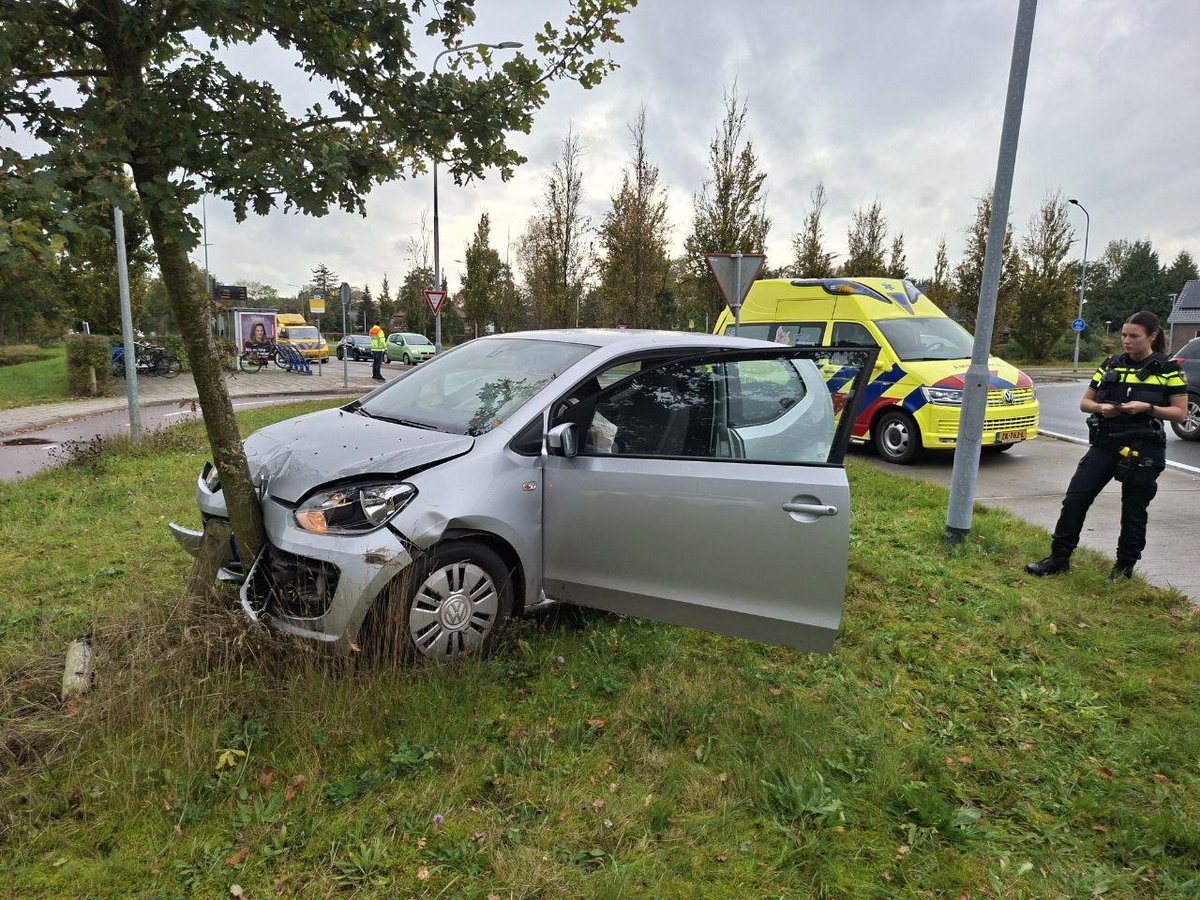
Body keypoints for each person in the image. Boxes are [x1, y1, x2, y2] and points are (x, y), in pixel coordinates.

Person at [1026, 310, 1188, 581]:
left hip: (1143, 448)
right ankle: (1058, 558)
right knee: (1076, 498)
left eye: (1134, 336)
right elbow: (1085, 403)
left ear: (1152, 336)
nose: (1127, 341)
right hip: (1106, 443)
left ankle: (1124, 568)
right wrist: (1101, 407)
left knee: (1133, 510)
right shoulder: (1110, 364)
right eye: (1124, 335)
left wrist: (1147, 407)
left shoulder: (1169, 369)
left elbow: (1180, 413)